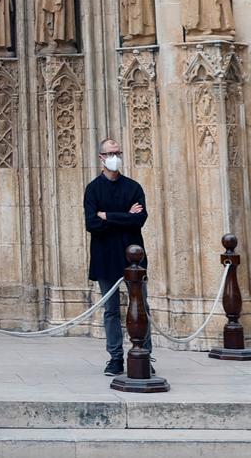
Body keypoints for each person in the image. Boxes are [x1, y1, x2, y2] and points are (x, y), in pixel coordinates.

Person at [83, 137, 150, 376]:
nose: (115, 157)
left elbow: (140, 219)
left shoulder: (133, 187)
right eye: (111, 153)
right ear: (101, 158)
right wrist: (123, 216)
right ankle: (115, 357)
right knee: (111, 310)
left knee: (141, 307)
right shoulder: (93, 189)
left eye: (118, 152)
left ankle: (144, 353)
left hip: (134, 258)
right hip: (105, 257)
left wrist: (107, 216)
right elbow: (91, 223)